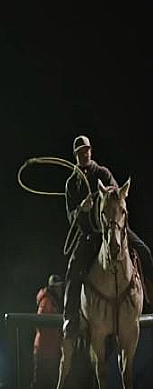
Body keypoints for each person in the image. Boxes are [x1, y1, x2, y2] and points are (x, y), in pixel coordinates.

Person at [62, 134, 153, 338]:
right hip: (89, 233)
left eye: (86, 150)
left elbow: (116, 193)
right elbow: (70, 216)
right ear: (76, 155)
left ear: (91, 151)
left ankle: (148, 297)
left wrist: (104, 197)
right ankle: (70, 319)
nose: (84, 154)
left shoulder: (102, 173)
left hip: (113, 227)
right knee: (73, 269)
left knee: (145, 252)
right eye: (80, 152)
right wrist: (81, 209)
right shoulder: (71, 184)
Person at [31, 274, 64, 389]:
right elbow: (41, 325)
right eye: (57, 287)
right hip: (44, 351)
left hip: (52, 351)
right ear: (53, 288)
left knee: (51, 382)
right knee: (40, 382)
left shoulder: (55, 302)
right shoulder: (46, 301)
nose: (60, 290)